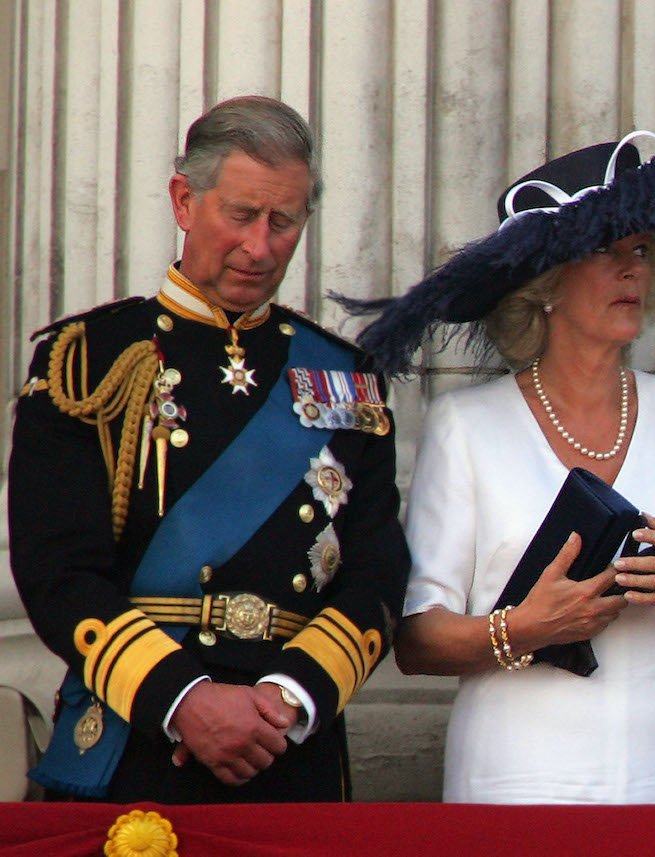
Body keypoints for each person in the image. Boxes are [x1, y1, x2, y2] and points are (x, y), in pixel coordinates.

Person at [337, 131, 655, 804]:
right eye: (607, 248)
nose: (632, 269)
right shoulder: (468, 426)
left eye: (643, 250)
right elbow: (416, 638)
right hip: (519, 781)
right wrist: (527, 627)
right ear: (544, 285)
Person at [7, 95, 409, 803]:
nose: (260, 247)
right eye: (242, 215)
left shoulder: (346, 379)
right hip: (137, 743)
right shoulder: (90, 361)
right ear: (185, 200)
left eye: (283, 221)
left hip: (288, 752)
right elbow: (57, 569)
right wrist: (184, 698)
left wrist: (288, 697)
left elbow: (377, 573)